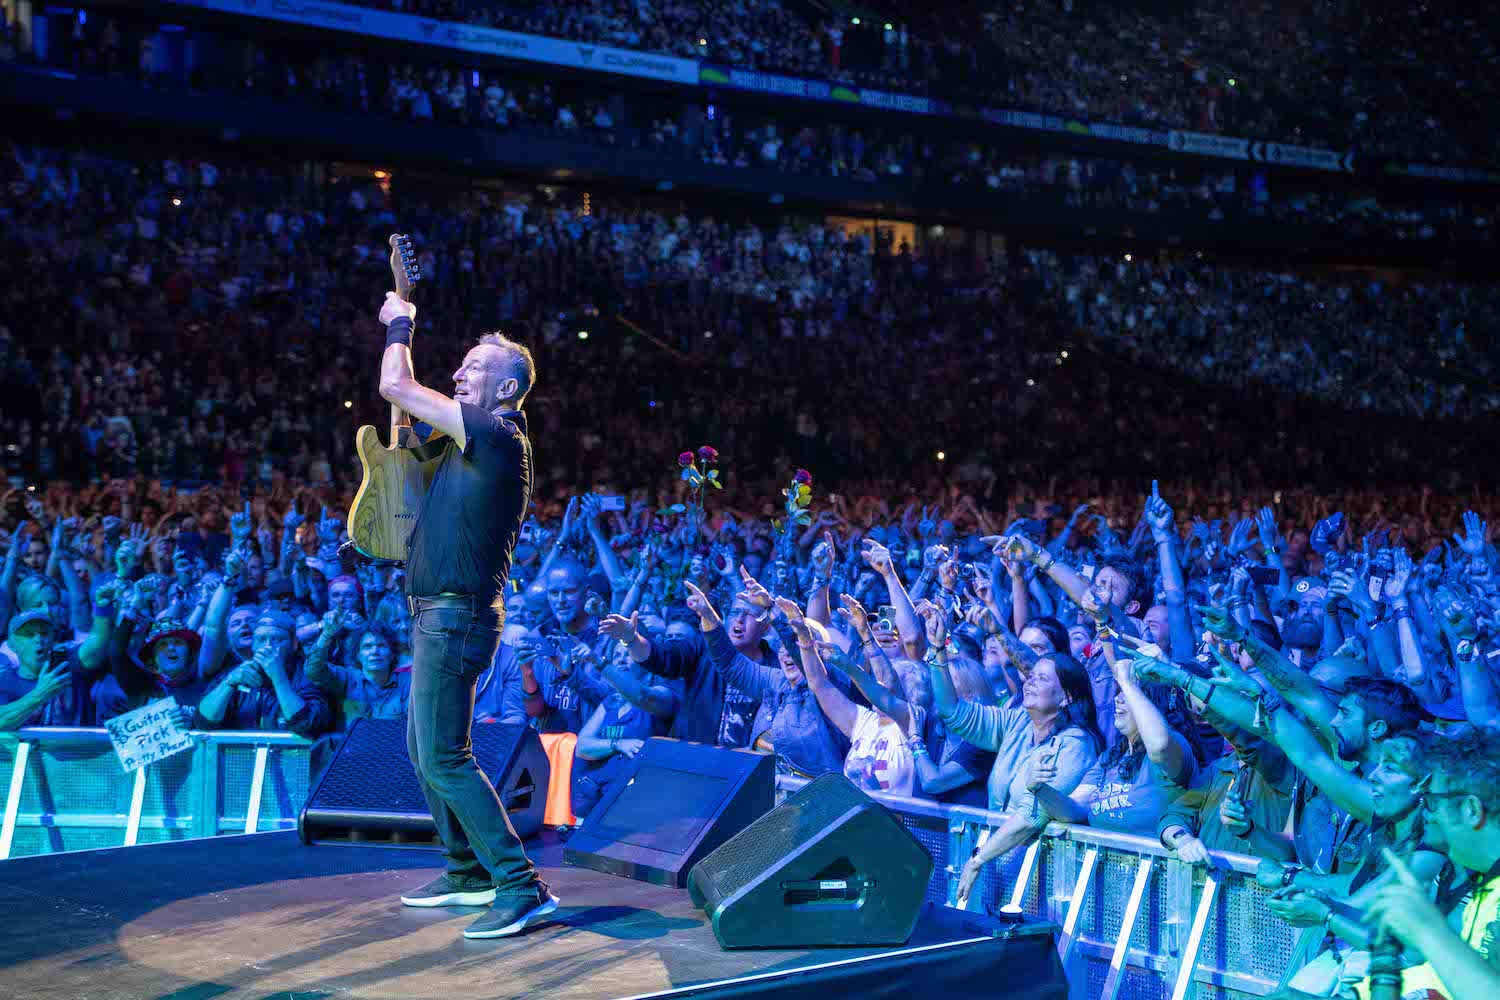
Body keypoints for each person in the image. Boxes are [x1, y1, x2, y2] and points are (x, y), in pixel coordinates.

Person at [376, 273, 556, 938]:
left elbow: (397, 386)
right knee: (425, 750)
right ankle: (466, 870)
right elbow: (400, 437)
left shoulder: (498, 436)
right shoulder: (463, 444)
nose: (459, 372)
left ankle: (518, 883)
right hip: (434, 616)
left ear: (507, 388)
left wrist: (402, 321)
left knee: (445, 755)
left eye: (475, 366)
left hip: (456, 617)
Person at [1363, 728, 1500, 1000]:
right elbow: (1443, 978)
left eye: (1433, 802)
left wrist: (1427, 928)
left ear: (1470, 810)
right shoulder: (1488, 888)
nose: (1431, 816)